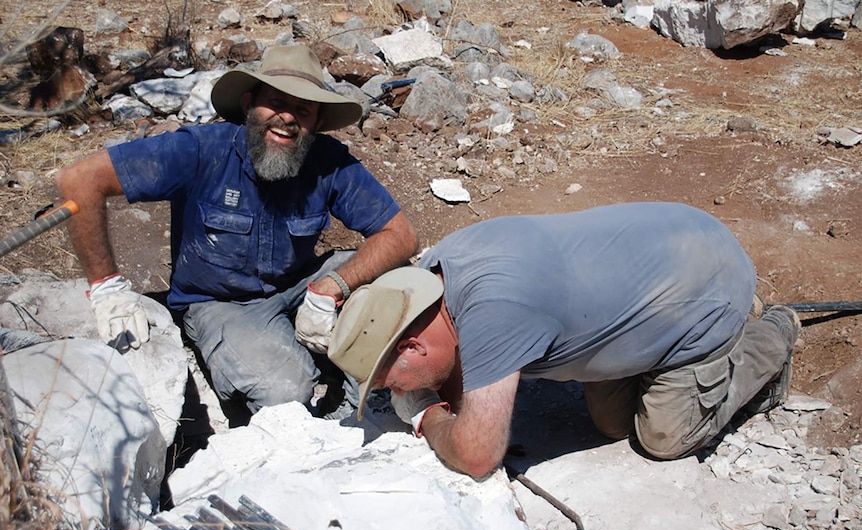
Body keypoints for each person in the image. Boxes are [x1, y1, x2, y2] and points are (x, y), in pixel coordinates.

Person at [55, 44, 418, 421]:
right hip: (221, 304)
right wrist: (106, 287)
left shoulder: (327, 161)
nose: (288, 118)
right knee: (287, 394)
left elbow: (401, 234)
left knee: (398, 277)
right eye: (276, 102)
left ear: (316, 122)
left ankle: (390, 392)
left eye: (303, 109)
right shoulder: (200, 150)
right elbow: (79, 180)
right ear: (248, 105)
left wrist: (333, 287)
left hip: (299, 286)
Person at [327, 202, 801, 478]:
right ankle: (666, 343)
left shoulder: (496, 313)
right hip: (657, 262)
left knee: (662, 438)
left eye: (394, 382)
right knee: (614, 426)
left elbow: (476, 456)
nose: (400, 392)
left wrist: (428, 415)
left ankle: (768, 334)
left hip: (705, 279)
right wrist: (438, 396)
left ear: (412, 346)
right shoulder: (440, 275)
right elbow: (458, 369)